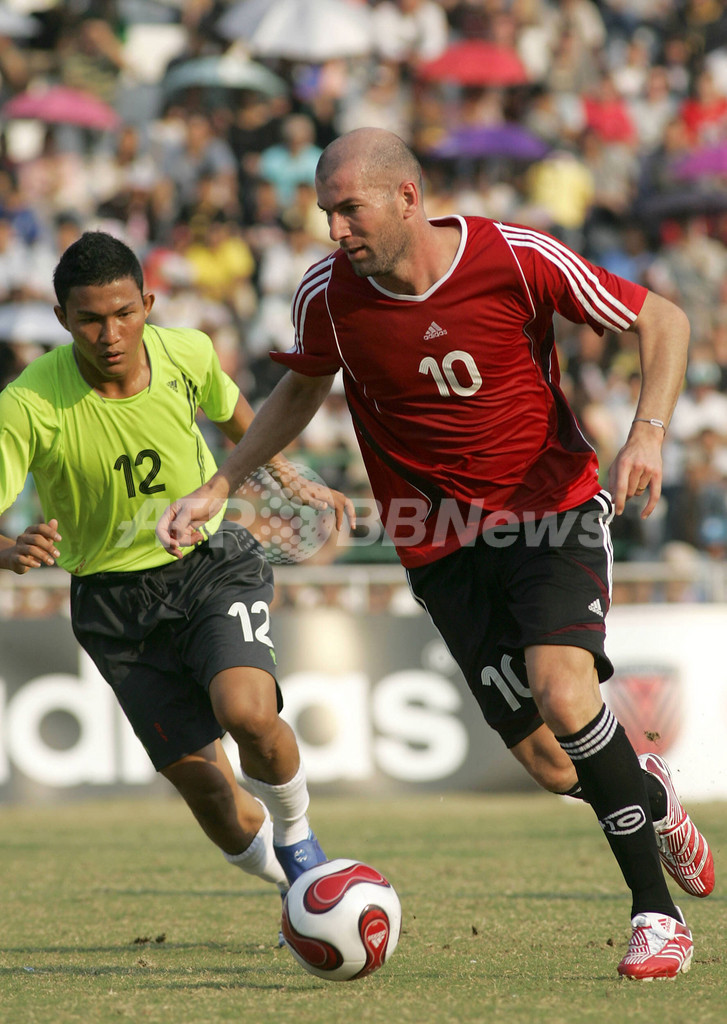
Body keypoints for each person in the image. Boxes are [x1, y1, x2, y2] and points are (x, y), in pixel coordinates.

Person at [157, 128, 714, 980]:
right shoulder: (327, 294)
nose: (334, 229)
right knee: (548, 759)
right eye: (325, 213)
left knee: (564, 692)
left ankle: (656, 916)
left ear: (407, 198)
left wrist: (646, 432)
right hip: (436, 545)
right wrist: (227, 479)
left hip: (548, 510)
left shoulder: (515, 257)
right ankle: (648, 791)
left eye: (349, 209)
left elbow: (661, 319)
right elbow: (302, 386)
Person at [0, 231, 353, 940]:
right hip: (111, 603)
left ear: (149, 304)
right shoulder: (26, 404)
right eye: (91, 319)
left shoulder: (187, 352)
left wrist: (284, 475)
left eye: (125, 313)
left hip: (209, 559)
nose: (110, 334)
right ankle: (303, 891)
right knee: (210, 794)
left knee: (247, 711)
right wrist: (9, 551)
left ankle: (301, 841)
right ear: (63, 320)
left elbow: (233, 414)